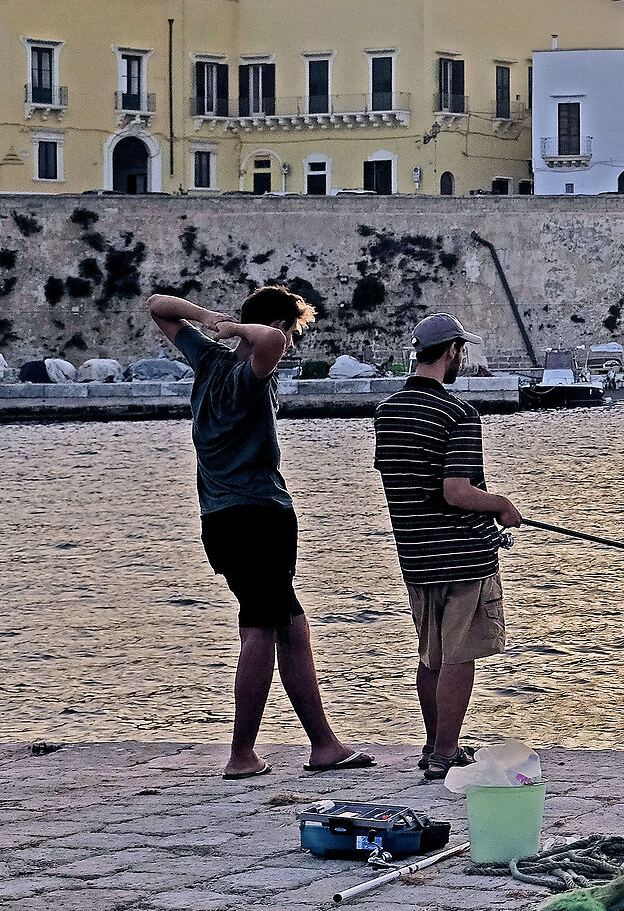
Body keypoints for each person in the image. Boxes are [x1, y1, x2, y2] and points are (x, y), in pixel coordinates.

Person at [144, 288, 373, 779]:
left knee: (291, 626)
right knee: (261, 629)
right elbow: (268, 342)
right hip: (259, 517)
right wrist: (232, 327)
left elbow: (159, 306)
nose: (290, 345)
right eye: (293, 333)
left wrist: (207, 318)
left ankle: (324, 745)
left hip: (221, 521)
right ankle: (242, 753)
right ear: (277, 326)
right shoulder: (250, 374)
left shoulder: (207, 360)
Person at [372, 315, 521, 780]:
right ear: (453, 350)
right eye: (462, 350)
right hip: (462, 554)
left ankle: (434, 743)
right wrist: (500, 504)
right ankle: (444, 754)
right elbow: (455, 491)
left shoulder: (387, 412)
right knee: (458, 654)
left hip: (415, 554)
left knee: (429, 653)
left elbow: (401, 481)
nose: (463, 358)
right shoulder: (460, 414)